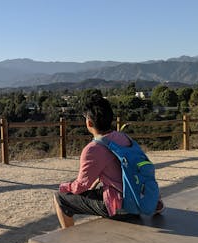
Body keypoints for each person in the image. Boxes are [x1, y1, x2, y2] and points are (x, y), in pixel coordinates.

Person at [53, 94, 164, 229]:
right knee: (99, 190)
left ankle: (69, 240)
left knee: (60, 198)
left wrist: (64, 186)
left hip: (120, 207)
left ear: (89, 123)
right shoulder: (124, 137)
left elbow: (81, 186)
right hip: (137, 199)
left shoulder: (92, 149)